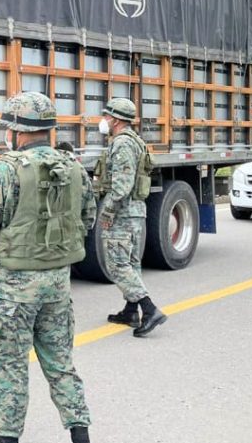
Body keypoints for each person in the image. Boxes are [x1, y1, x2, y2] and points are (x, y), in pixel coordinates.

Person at [0, 92, 95, 443]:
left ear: (18, 131)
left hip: (11, 294)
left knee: (9, 373)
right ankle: (81, 436)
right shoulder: (74, 168)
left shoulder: (6, 170)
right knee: (61, 366)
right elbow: (88, 217)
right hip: (57, 288)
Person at [96, 98, 167, 337]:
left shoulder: (123, 144)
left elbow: (122, 185)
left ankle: (149, 310)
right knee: (132, 263)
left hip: (123, 213)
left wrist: (108, 211)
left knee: (117, 264)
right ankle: (130, 310)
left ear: (116, 120)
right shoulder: (134, 141)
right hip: (135, 211)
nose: (103, 120)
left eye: (106, 116)